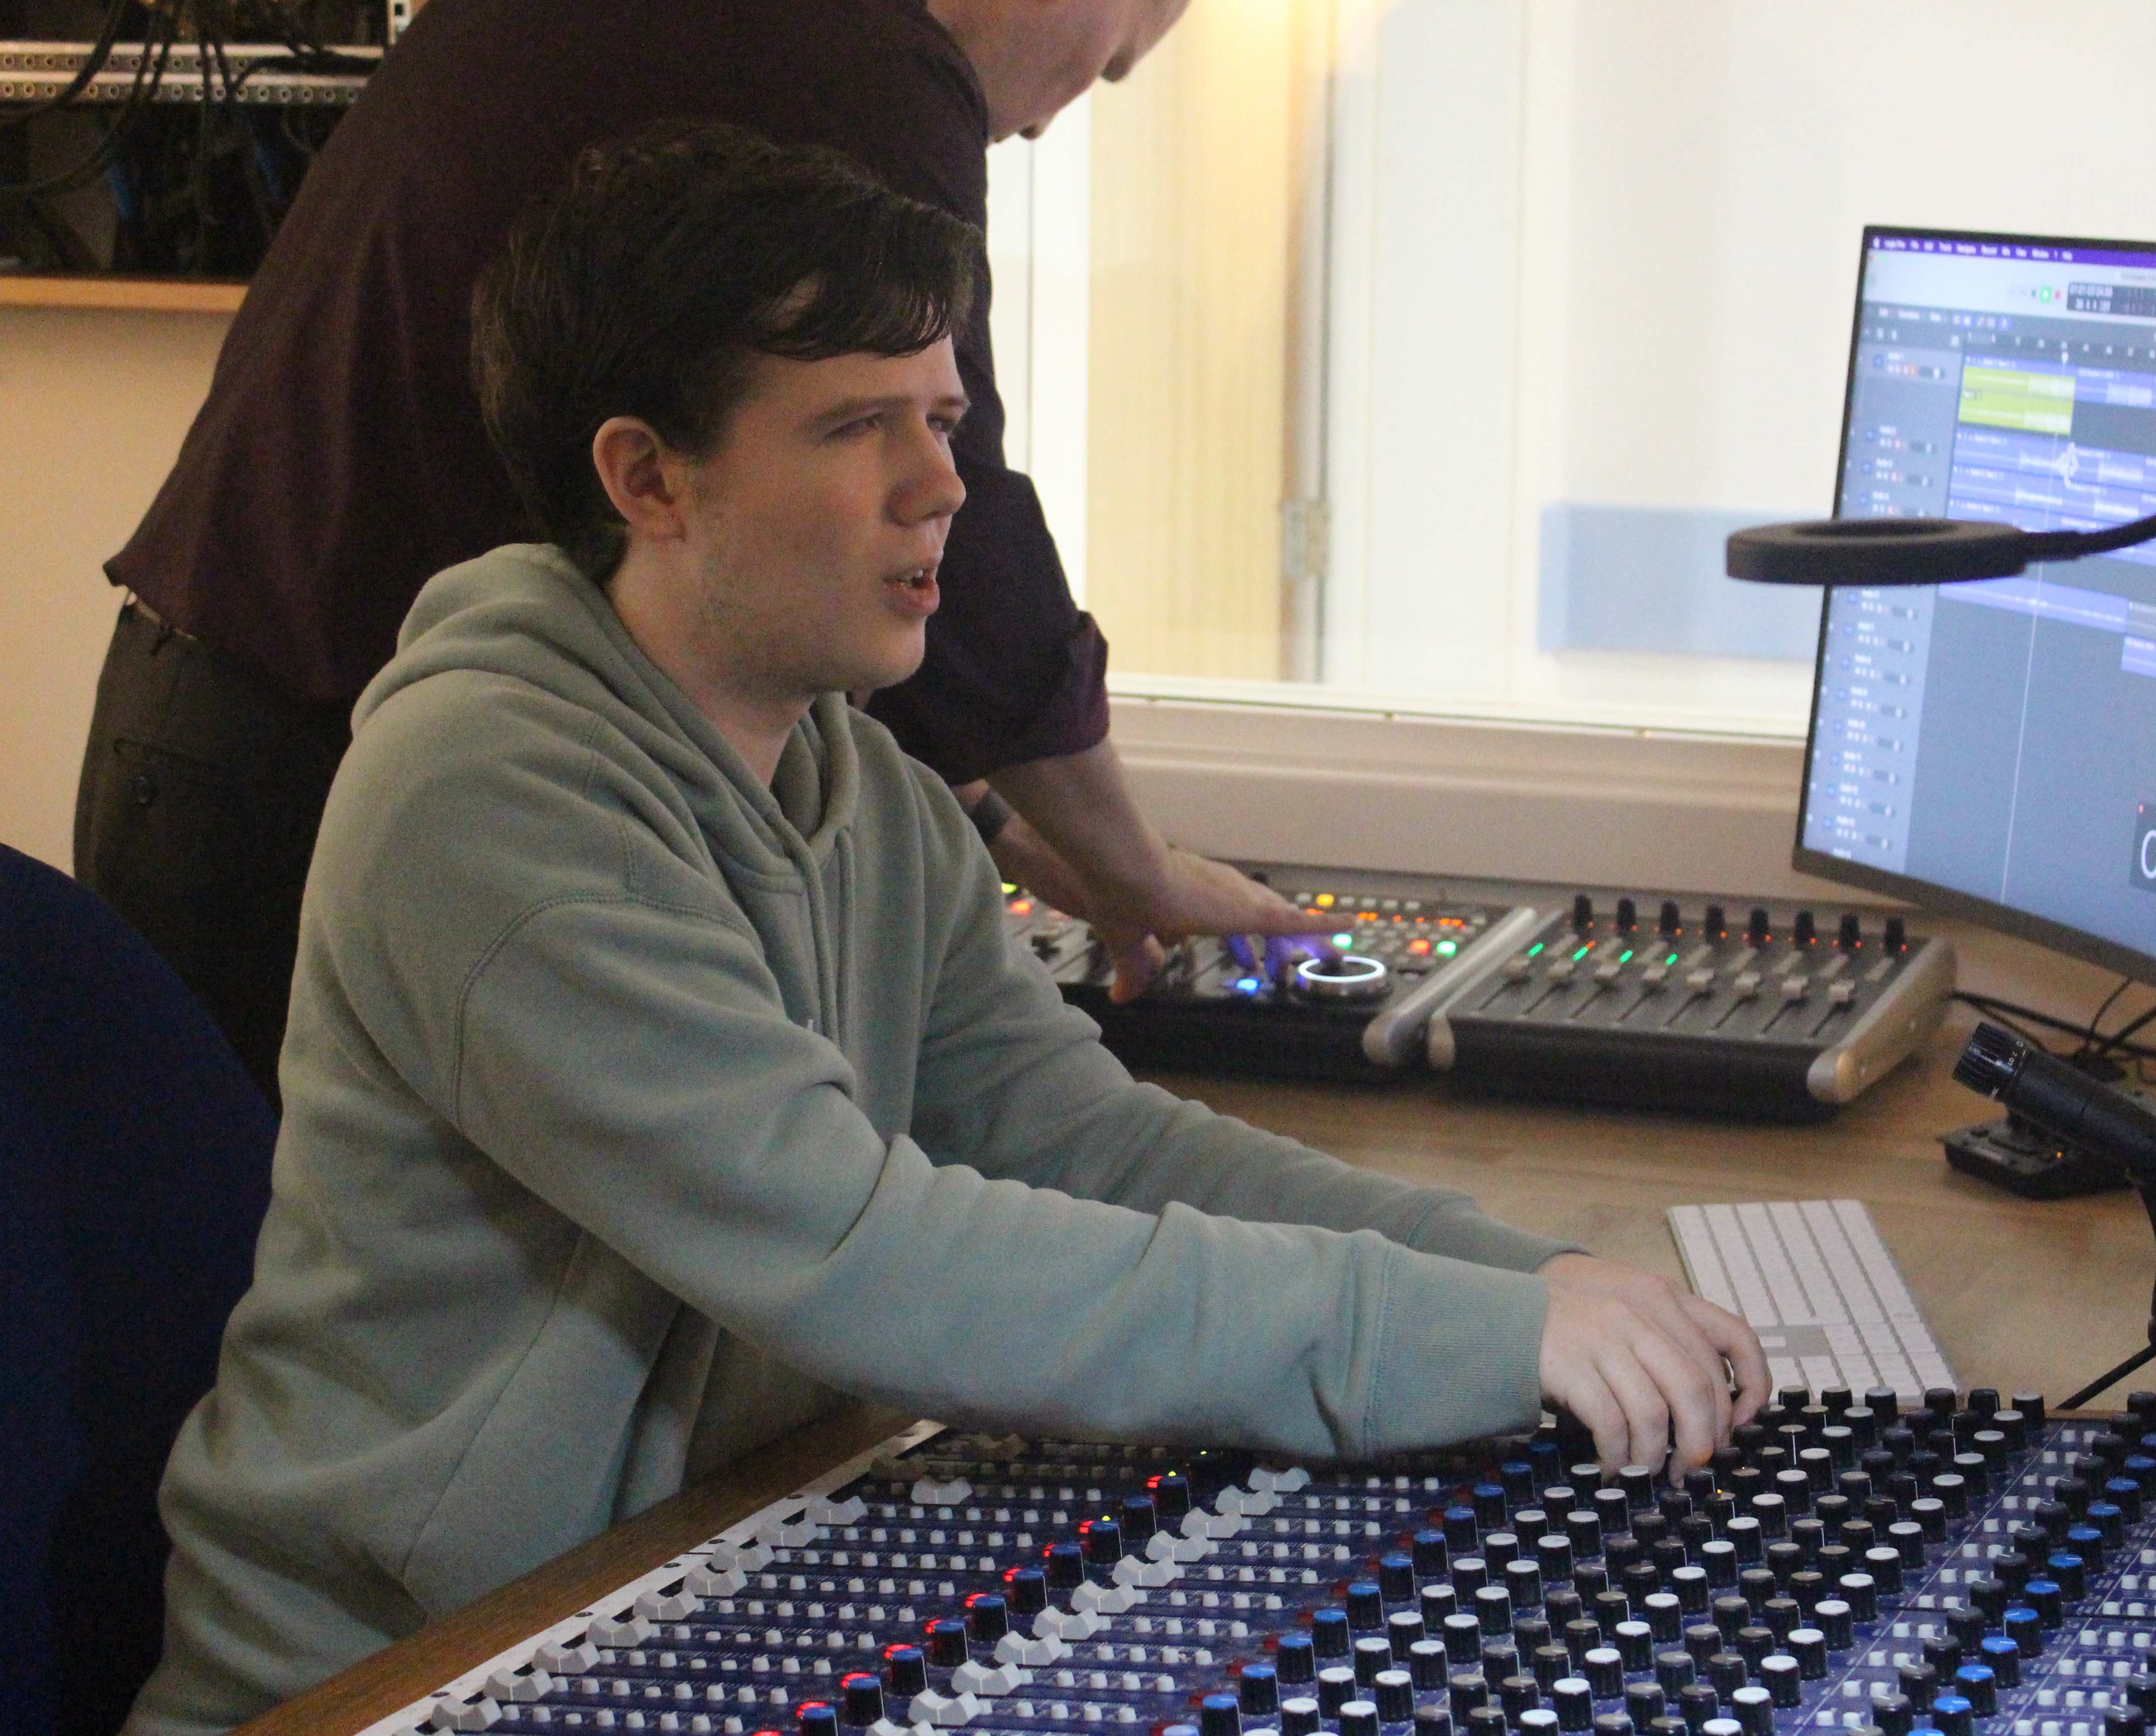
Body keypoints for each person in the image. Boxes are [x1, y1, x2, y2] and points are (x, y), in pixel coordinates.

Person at [122, 127, 1770, 1736]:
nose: (939, 487)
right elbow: (861, 1254)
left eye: (943, 417)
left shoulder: (863, 787)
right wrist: (1461, 1338)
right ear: (646, 477)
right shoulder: (488, 795)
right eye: (856, 428)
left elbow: (1088, 1146)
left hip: (691, 1588)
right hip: (411, 1668)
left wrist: (1519, 1275)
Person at [74, 0, 1329, 1111]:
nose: (1056, 122)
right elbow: (960, 531)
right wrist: (1136, 872)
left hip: (217, 735)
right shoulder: (866, 63)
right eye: (1109, 64)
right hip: (307, 770)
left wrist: (1000, 819)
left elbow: (762, 548)